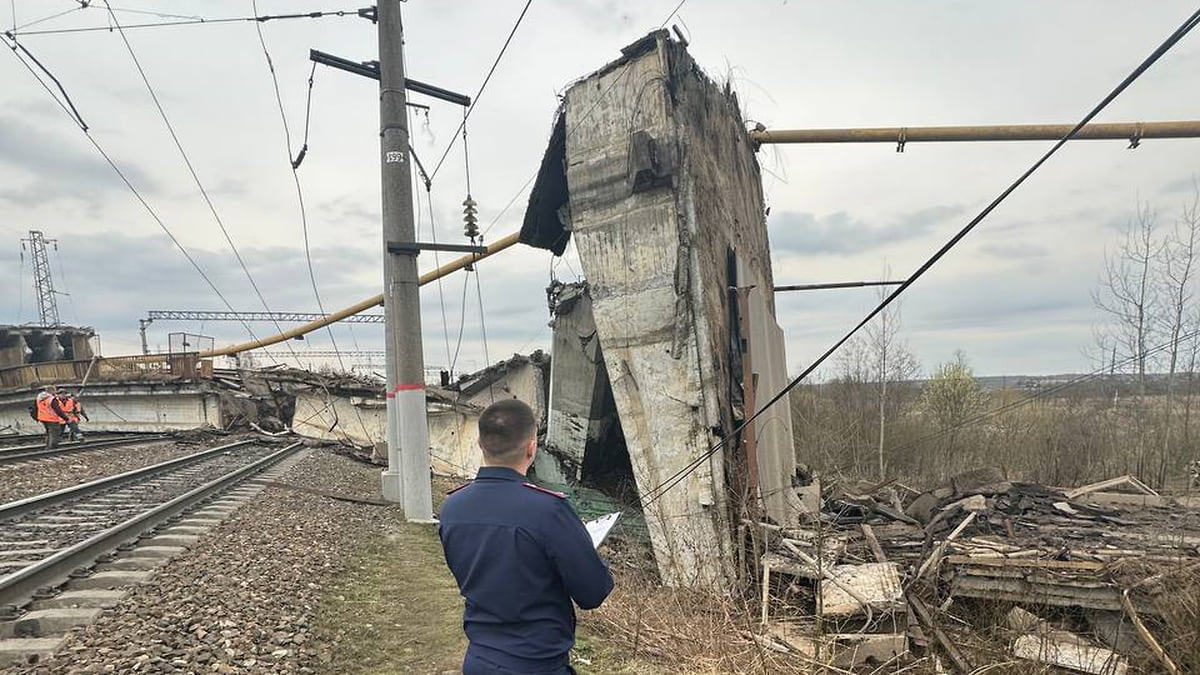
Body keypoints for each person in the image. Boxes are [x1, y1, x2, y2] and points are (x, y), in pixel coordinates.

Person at [439, 399, 614, 675]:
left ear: (480, 444)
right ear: (532, 447)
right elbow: (592, 593)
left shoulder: (452, 507)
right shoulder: (549, 509)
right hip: (537, 665)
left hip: (479, 662)